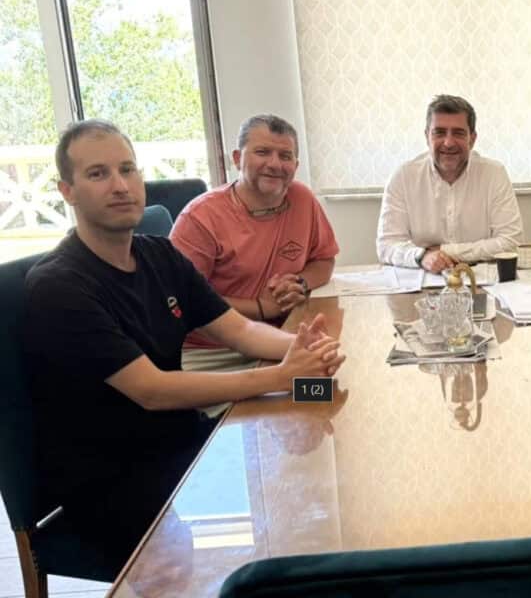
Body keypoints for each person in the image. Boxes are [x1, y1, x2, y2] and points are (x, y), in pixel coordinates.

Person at [23, 119, 346, 577]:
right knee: (258, 541)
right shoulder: (59, 286)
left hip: (179, 439)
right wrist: (279, 374)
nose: (120, 186)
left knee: (317, 429)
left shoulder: (159, 255)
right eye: (98, 174)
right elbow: (152, 390)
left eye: (127, 169)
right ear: (67, 191)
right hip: (113, 479)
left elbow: (240, 331)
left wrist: (304, 349)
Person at [171, 114, 339, 371]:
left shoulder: (303, 199)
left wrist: (299, 284)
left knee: (328, 383)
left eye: (285, 156)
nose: (275, 164)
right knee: (279, 394)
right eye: (262, 152)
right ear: (237, 158)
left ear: (295, 165)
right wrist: (260, 308)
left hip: (280, 335)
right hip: (211, 350)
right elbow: (181, 301)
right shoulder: (200, 217)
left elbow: (324, 260)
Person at [376, 94, 524, 274]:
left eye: (458, 133)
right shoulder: (403, 177)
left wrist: (445, 251)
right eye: (439, 132)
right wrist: (422, 256)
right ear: (427, 136)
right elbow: (387, 245)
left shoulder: (494, 174)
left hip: (481, 282)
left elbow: (511, 242)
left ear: (472, 139)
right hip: (420, 280)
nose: (448, 143)